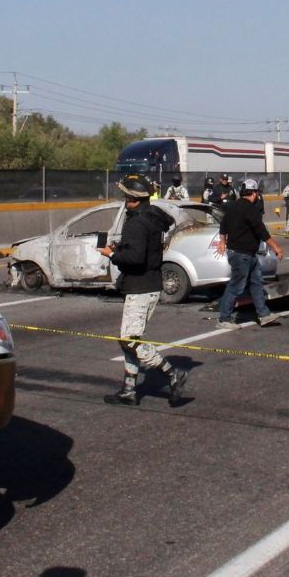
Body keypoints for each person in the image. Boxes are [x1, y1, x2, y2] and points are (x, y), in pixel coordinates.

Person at [96, 174, 189, 406]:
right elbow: (143, 248)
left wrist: (113, 254)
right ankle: (129, 389)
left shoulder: (137, 222)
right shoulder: (151, 216)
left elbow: (136, 258)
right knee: (128, 339)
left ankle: (172, 374)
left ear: (133, 198)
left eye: (126, 195)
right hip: (147, 284)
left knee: (129, 340)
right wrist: (123, 246)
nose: (124, 198)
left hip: (141, 286)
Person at [216, 178, 284, 328]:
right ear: (253, 193)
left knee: (256, 283)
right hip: (242, 255)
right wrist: (276, 248)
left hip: (246, 254)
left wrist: (222, 242)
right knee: (236, 286)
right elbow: (262, 232)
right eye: (257, 193)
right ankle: (224, 319)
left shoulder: (232, 206)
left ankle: (264, 315)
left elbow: (223, 224)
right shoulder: (251, 209)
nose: (258, 196)